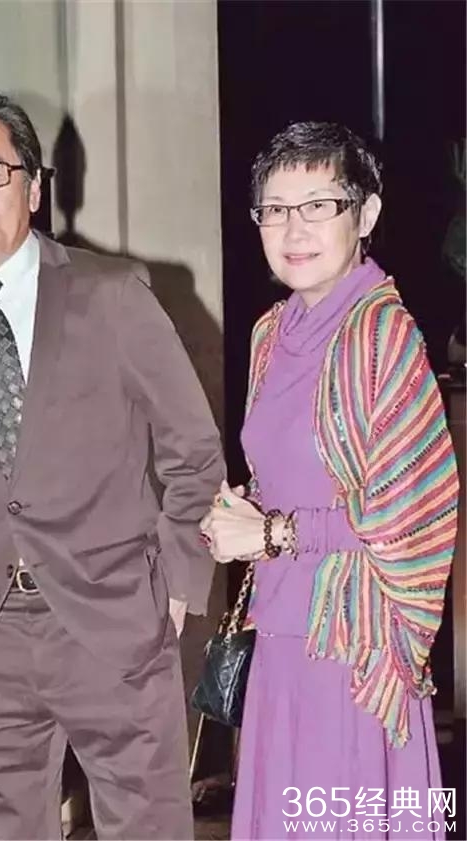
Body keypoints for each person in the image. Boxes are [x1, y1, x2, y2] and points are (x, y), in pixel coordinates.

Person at [0, 87, 225, 840]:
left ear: (34, 188)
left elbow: (192, 449)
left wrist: (176, 584)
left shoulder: (112, 296)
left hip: (114, 622)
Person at [200, 121, 459, 840]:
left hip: (351, 646)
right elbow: (289, 476)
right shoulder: (270, 333)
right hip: (280, 632)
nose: (294, 229)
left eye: (319, 205)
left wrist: (274, 533)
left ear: (364, 214)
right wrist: (240, 516)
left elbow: (411, 515)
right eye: (276, 209)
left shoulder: (383, 335)